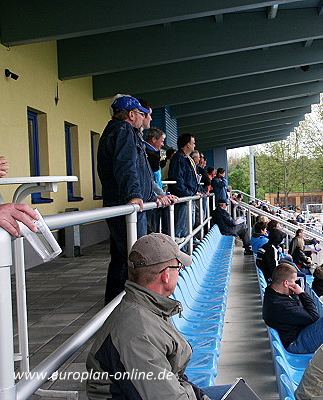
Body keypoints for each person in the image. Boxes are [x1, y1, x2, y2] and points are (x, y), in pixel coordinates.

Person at [86, 233, 230, 400]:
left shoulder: (150, 307)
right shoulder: (136, 332)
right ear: (166, 275)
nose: (180, 272)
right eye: (179, 268)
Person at [97, 95, 175, 304]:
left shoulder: (117, 131)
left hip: (122, 203)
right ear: (131, 115)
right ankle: (132, 306)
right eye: (141, 114)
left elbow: (138, 173)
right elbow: (126, 166)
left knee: (122, 259)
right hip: (127, 207)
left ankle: (116, 306)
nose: (144, 118)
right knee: (136, 260)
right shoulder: (123, 132)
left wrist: (153, 195)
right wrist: (134, 196)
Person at [262, 263, 323, 354]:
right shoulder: (282, 306)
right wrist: (302, 293)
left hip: (297, 333)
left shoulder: (271, 293)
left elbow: (300, 308)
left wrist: (294, 295)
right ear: (286, 283)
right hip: (296, 343)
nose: (295, 284)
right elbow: (313, 317)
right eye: (294, 281)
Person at [168, 133, 201, 241]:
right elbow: (177, 181)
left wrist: (192, 193)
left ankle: (186, 252)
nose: (194, 146)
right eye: (193, 143)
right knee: (180, 231)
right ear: (187, 145)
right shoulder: (178, 158)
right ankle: (179, 254)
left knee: (187, 230)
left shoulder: (185, 158)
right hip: (182, 200)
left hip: (187, 198)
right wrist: (188, 193)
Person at [144, 127, 166, 233]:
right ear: (153, 139)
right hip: (151, 197)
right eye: (161, 141)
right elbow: (150, 179)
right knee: (152, 230)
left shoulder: (153, 153)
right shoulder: (147, 153)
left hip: (155, 195)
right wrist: (161, 194)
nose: (162, 144)